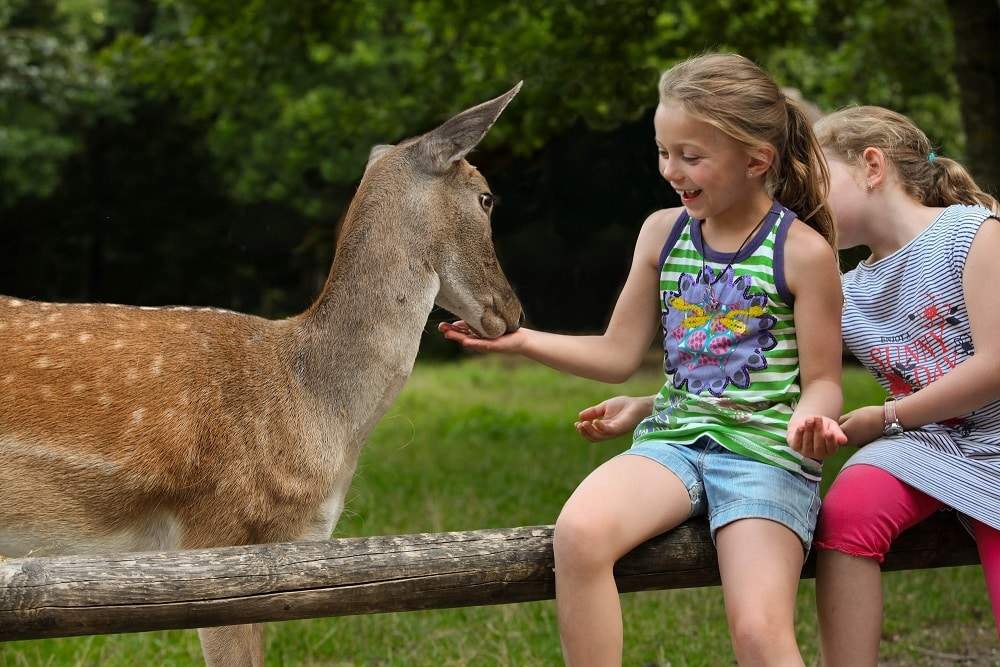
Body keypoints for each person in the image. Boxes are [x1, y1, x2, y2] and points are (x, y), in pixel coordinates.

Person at [440, 52, 846, 666]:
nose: (670, 170)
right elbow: (616, 354)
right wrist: (521, 341)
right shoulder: (663, 233)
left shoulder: (805, 254)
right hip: (673, 446)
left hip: (765, 456)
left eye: (690, 156)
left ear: (756, 160)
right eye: (663, 151)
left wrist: (811, 419)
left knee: (759, 631)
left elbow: (823, 382)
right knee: (578, 536)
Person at [577, 105, 1000, 665]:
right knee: (847, 510)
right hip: (927, 445)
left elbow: (996, 363)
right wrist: (649, 405)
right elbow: (768, 383)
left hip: (985, 443)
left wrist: (889, 418)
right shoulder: (849, 285)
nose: (806, 204)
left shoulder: (973, 234)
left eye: (820, 184)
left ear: (872, 167)